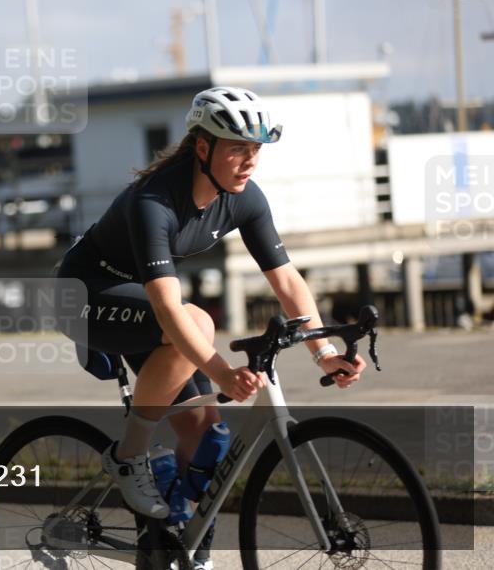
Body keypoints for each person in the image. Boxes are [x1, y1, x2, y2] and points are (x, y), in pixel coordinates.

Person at [53, 86, 367, 569]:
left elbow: (286, 280)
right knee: (196, 318)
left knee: (207, 438)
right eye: (238, 148)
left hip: (142, 310)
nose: (250, 161)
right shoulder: (154, 200)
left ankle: (183, 551)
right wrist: (222, 372)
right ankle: (128, 455)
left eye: (256, 149)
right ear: (203, 147)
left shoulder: (244, 198)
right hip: (84, 298)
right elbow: (168, 308)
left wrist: (323, 353)